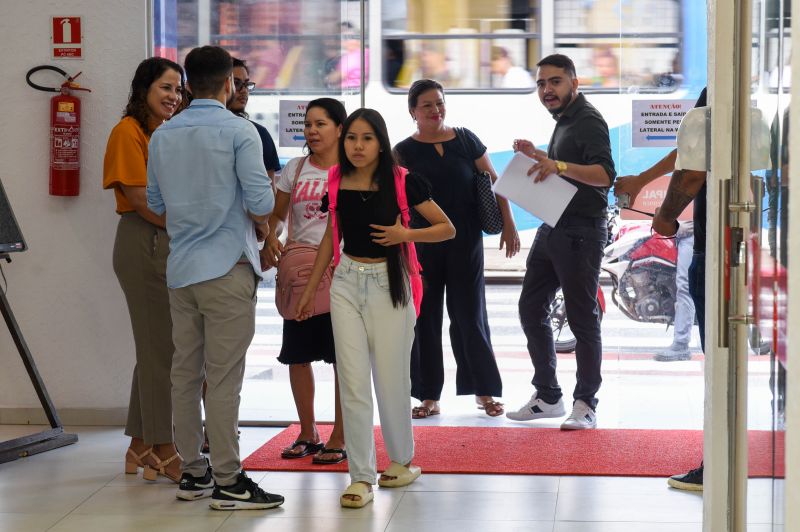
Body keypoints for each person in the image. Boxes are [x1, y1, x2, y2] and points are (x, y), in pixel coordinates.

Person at [295, 108, 455, 508]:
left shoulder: (403, 181)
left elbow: (446, 228)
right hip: (345, 282)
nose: (358, 146)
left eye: (367, 138)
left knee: (391, 380)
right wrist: (310, 289)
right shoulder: (335, 181)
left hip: (391, 284)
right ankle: (361, 477)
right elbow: (332, 238)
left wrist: (405, 233)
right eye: (351, 138)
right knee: (351, 380)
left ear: (380, 142)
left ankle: (402, 460)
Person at [146, 45, 283, 510]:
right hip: (227, 267)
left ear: (187, 84)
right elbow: (263, 204)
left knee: (185, 374)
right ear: (228, 83)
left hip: (181, 270)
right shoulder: (239, 131)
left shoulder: (163, 135)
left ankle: (193, 473)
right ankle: (229, 480)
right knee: (223, 379)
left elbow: (157, 204)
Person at [394, 79, 520, 418]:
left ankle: (485, 391)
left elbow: (496, 182)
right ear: (413, 112)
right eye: (427, 105)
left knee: (469, 315)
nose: (436, 110)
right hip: (424, 245)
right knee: (426, 318)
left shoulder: (465, 139)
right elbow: (397, 201)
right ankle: (427, 396)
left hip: (466, 241)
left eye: (439, 103)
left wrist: (508, 224)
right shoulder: (402, 151)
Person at [508, 54, 616, 430]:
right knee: (530, 306)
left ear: (574, 82)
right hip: (554, 223)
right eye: (541, 83)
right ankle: (548, 396)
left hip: (582, 230)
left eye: (555, 82)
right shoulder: (564, 121)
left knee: (583, 318)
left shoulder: (587, 120)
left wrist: (560, 166)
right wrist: (540, 158)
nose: (547, 90)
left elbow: (605, 175)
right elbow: (563, 171)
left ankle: (586, 403)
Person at [103, 57, 185, 483]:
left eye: (178, 89)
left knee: (158, 349)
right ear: (143, 89)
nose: (173, 96)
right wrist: (193, 225)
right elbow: (140, 201)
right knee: (161, 352)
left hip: (164, 241)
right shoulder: (127, 132)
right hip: (143, 240)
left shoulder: (165, 132)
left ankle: (139, 445)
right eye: (165, 88)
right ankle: (164, 446)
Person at [261, 98, 347, 464]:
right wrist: (271, 237)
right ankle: (308, 431)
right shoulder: (295, 169)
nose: (312, 131)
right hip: (299, 272)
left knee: (344, 358)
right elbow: (278, 216)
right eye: (309, 125)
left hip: (342, 274)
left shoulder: (353, 168)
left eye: (321, 124)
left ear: (339, 128)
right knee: (298, 356)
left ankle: (341, 435)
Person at [652, 88, 709, 491]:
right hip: (726, 239)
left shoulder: (717, 92)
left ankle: (716, 463)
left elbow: (692, 166)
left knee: (720, 359)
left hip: (716, 246)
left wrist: (665, 217)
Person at [615, 149, 697, 361]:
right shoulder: (696, 134)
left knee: (684, 285)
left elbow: (687, 167)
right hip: (684, 231)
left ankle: (681, 344)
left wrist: (665, 215)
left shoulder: (697, 140)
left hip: (692, 233)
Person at [228, 57, 281, 181]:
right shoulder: (202, 129)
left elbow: (269, 190)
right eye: (236, 83)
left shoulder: (259, 133)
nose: (244, 91)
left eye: (246, 84)